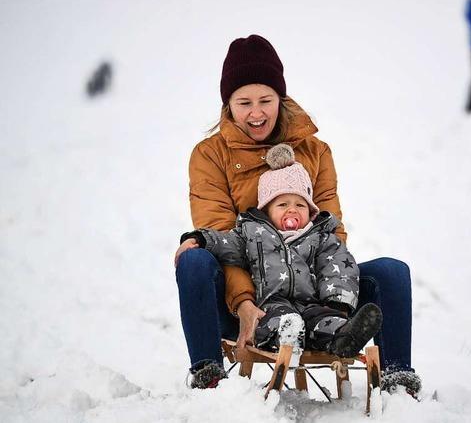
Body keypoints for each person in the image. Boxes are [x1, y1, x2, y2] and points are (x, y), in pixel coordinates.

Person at [174, 34, 420, 395]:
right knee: (194, 260)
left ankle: (398, 382)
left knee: (392, 272)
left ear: (281, 98)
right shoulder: (210, 155)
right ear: (228, 104)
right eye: (244, 102)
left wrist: (331, 299)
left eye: (265, 100)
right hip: (248, 296)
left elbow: (331, 231)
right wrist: (244, 303)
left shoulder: (315, 151)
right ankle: (208, 376)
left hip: (313, 292)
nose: (256, 113)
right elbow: (222, 236)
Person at [179, 143, 383, 369]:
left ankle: (345, 336)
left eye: (300, 204)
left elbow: (338, 268)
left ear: (311, 210)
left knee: (327, 321)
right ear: (267, 209)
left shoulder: (321, 236)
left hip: (312, 304)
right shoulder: (254, 234)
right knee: (280, 321)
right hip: (271, 304)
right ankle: (287, 338)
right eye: (283, 204)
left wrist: (338, 304)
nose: (292, 210)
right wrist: (200, 239)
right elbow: (227, 243)